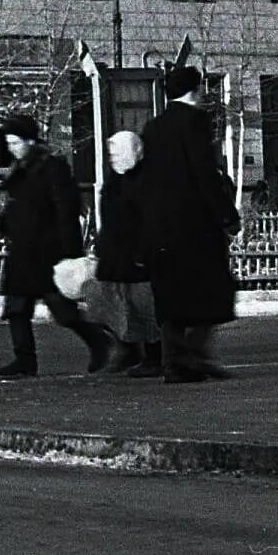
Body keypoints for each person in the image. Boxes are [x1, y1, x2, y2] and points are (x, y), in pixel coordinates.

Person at [139, 66, 240, 381]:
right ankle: (194, 353)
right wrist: (226, 215)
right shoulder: (195, 122)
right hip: (193, 224)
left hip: (161, 226)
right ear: (195, 90)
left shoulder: (153, 127)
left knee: (171, 294)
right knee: (215, 287)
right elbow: (204, 173)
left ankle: (174, 362)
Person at [0, 112, 111, 378]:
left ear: (30, 141)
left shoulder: (52, 168)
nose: (11, 148)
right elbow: (18, 206)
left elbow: (65, 210)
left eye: (15, 142)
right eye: (9, 143)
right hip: (22, 251)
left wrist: (69, 253)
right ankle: (24, 359)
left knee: (63, 310)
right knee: (16, 308)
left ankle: (99, 342)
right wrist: (6, 223)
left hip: (47, 252)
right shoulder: (18, 171)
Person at [87, 131, 163, 375]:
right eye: (112, 154)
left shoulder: (147, 179)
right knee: (115, 302)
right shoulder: (114, 181)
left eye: (119, 153)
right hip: (116, 253)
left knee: (144, 306)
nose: (115, 158)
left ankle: (153, 356)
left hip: (138, 254)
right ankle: (128, 348)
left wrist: (145, 249)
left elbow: (150, 218)